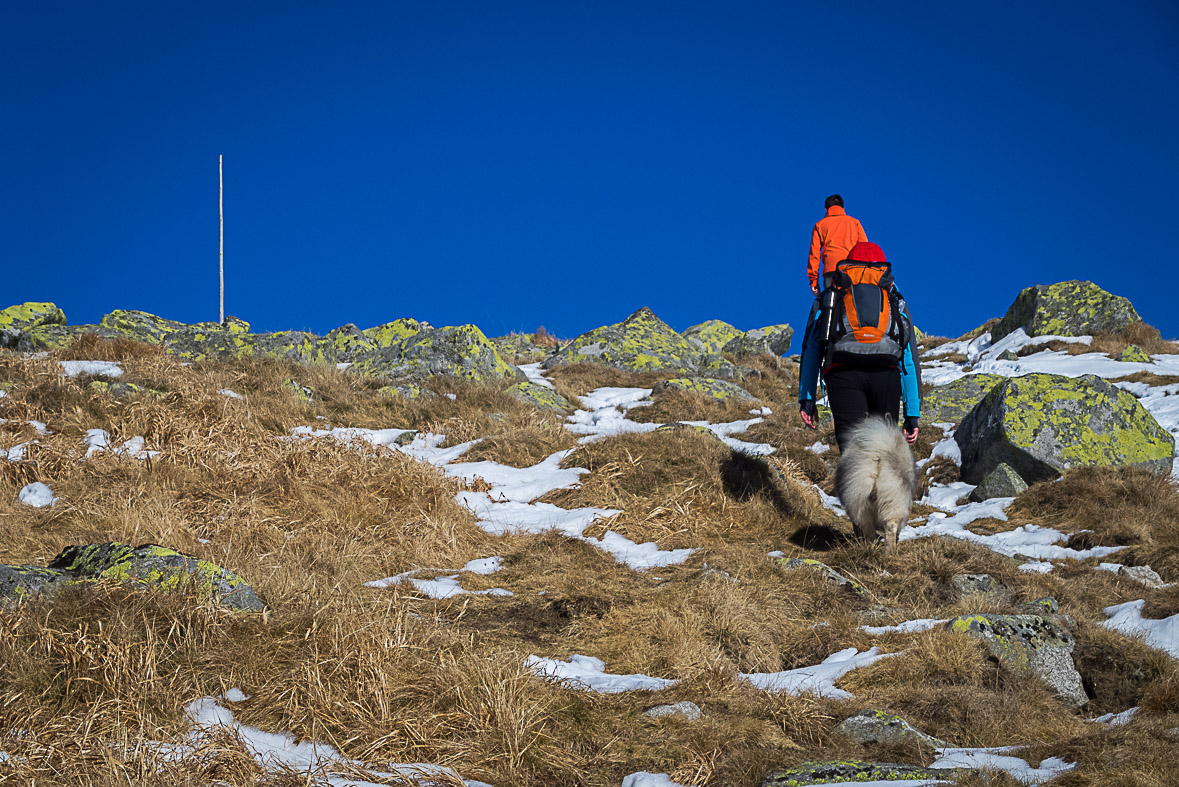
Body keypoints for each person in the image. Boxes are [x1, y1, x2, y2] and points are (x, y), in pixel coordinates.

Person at [797, 241, 920, 449]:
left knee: (854, 454)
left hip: (842, 373)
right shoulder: (893, 297)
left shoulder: (833, 293)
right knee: (884, 453)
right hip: (886, 375)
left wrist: (807, 399)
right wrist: (912, 414)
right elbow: (908, 355)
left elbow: (812, 348)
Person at [808, 194, 868, 295]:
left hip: (830, 271)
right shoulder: (854, 223)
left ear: (826, 209)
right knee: (851, 303)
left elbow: (814, 255)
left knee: (830, 304)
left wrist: (813, 281)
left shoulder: (820, 225)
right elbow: (865, 249)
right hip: (852, 270)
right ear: (843, 208)